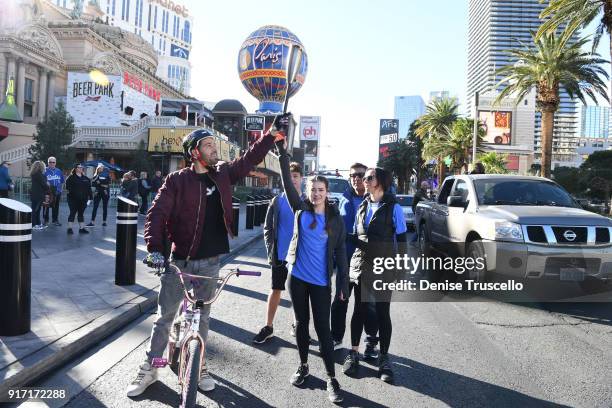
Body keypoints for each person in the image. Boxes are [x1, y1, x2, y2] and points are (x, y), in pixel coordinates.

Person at [126, 115, 287, 398]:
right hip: (178, 262)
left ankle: (197, 366)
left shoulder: (223, 173)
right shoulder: (176, 180)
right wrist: (154, 250)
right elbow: (157, 214)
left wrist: (271, 135)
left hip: (210, 262)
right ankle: (151, 367)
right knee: (164, 317)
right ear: (195, 152)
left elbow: (249, 159)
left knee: (202, 317)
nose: (215, 150)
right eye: (209, 145)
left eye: (215, 145)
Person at [277, 139, 349, 404]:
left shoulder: (334, 220)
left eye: (320, 190)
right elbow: (287, 183)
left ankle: (331, 378)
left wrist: (344, 284)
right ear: (307, 192)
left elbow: (341, 253)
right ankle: (304, 365)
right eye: (313, 190)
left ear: (326, 192)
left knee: (323, 329)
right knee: (301, 325)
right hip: (297, 279)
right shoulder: (301, 210)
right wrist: (282, 154)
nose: (316, 194)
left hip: (320, 282)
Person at [343, 167, 407, 384]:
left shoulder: (393, 207)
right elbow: (358, 236)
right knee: (358, 310)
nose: (364, 180)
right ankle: (353, 354)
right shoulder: (362, 206)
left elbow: (403, 239)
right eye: (364, 177)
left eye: (369, 177)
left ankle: (384, 358)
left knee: (382, 311)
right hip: (361, 265)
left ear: (380, 182)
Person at [331, 163, 380, 358]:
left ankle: (370, 342)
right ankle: (336, 337)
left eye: (361, 175)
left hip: (367, 262)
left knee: (367, 304)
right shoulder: (343, 199)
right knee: (340, 301)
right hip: (345, 262)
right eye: (352, 175)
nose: (356, 178)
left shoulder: (375, 201)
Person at [253, 161, 303, 344]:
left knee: (298, 295)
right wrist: (270, 251)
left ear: (301, 179)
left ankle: (297, 325)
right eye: (288, 178)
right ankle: (268, 326)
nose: (292, 181)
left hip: (300, 258)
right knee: (275, 290)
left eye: (295, 177)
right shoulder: (277, 201)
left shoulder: (307, 201)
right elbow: (268, 228)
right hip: (280, 256)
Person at [65, 163, 92, 234]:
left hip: (83, 200)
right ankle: (69, 228)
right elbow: (67, 188)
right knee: (72, 213)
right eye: (79, 167)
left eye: (81, 167)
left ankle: (82, 228)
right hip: (72, 199)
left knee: (81, 213)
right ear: (75, 168)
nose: (80, 168)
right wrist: (74, 193)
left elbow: (89, 189)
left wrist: (90, 198)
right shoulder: (70, 178)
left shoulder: (86, 179)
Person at [43, 156, 65, 226]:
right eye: (50, 162)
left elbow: (62, 181)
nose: (52, 163)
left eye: (53, 162)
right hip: (47, 192)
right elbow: (42, 181)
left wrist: (61, 190)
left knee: (56, 207)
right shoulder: (44, 171)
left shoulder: (59, 171)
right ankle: (45, 220)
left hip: (57, 192)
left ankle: (55, 220)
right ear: (48, 163)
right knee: (46, 206)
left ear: (55, 163)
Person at [30, 161, 50, 231]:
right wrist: (47, 184)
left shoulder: (34, 174)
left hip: (35, 195)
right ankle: (34, 224)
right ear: (41, 167)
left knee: (36, 210)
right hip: (38, 195)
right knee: (36, 210)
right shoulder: (39, 174)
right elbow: (45, 185)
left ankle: (38, 223)